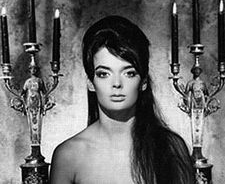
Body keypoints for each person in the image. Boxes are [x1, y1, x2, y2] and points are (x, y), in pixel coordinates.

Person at [49, 15, 194, 184]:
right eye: (104, 74)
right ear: (90, 82)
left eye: (129, 73)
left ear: (143, 82)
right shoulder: (69, 155)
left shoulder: (170, 148)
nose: (116, 83)